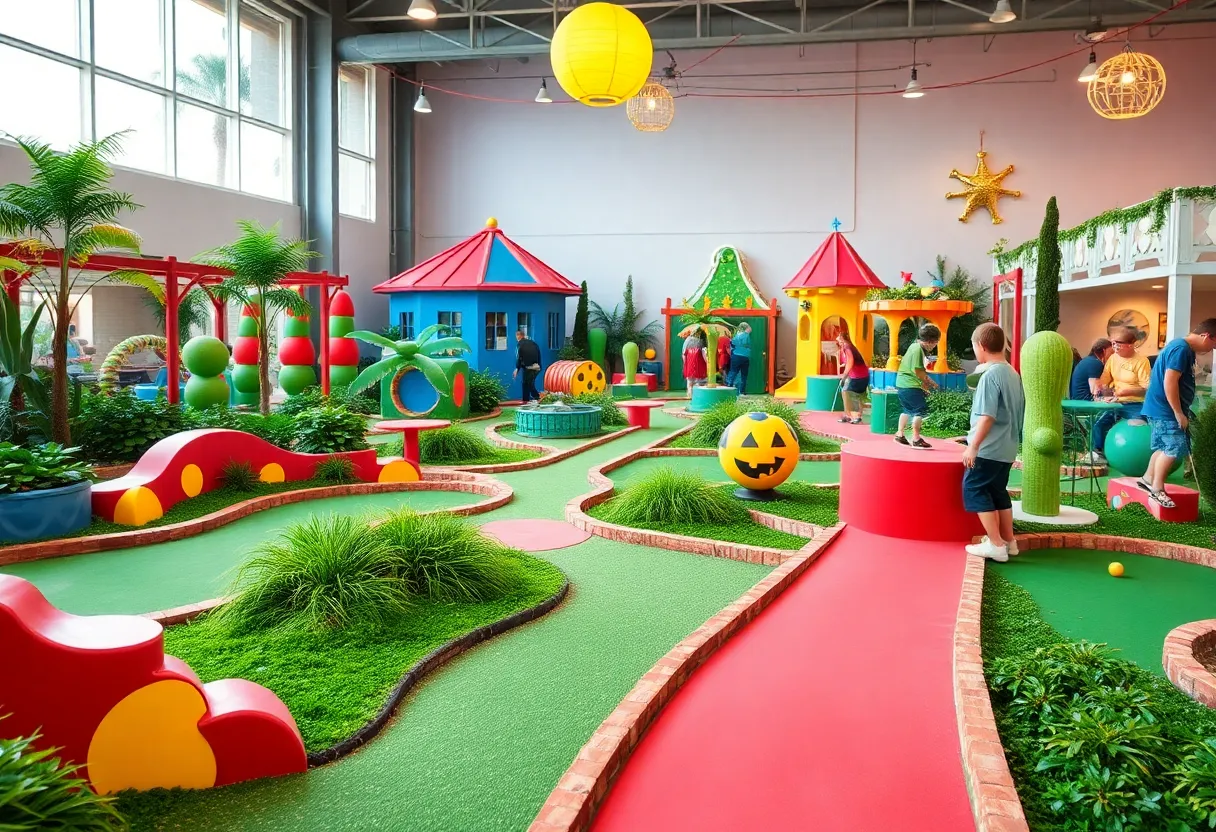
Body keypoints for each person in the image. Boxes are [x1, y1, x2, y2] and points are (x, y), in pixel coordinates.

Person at [962, 323, 1026, 563]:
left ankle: (996, 544)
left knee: (975, 488)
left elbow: (987, 416)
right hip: (1007, 447)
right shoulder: (1012, 372)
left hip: (988, 448)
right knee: (998, 492)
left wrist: (973, 446)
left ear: (981, 346)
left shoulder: (990, 376)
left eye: (973, 347)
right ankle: (1009, 542)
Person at [1137, 318, 1216, 508]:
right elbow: (1170, 382)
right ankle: (1157, 489)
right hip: (1165, 409)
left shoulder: (1182, 348)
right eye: (1214, 343)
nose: (1213, 348)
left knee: (1163, 447)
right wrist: (1178, 413)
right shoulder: (1181, 349)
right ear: (1206, 336)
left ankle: (1148, 479)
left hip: (1159, 408)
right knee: (1174, 448)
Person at [1091, 327, 1151, 463]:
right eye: (1112, 343)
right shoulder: (1113, 358)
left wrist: (1125, 392)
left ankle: (1136, 459)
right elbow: (1105, 378)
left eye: (1118, 344)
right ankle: (1098, 453)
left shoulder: (1142, 361)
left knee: (1137, 429)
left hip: (1135, 403)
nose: (1114, 347)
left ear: (1130, 345)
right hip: (1116, 402)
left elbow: (1146, 387)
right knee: (1098, 424)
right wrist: (1099, 386)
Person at [894, 323, 940, 449]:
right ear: (931, 341)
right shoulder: (918, 350)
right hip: (910, 385)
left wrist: (923, 387)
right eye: (935, 343)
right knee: (920, 410)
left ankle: (900, 434)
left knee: (907, 409)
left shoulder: (914, 346)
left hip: (902, 384)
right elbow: (919, 372)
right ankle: (916, 438)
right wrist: (932, 384)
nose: (935, 346)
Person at [836, 331, 869, 425]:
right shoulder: (846, 347)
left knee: (851, 394)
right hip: (858, 375)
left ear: (842, 338)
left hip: (858, 376)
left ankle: (856, 416)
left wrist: (844, 376)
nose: (836, 338)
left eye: (838, 336)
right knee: (847, 392)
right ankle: (848, 415)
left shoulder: (847, 347)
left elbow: (850, 362)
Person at [512, 329, 541, 403]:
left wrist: (517, 368)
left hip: (528, 367)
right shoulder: (533, 343)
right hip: (537, 366)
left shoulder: (519, 344)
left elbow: (519, 357)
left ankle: (534, 398)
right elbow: (538, 354)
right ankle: (530, 399)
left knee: (527, 384)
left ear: (518, 336)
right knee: (528, 383)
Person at [728, 322, 751, 394]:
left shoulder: (737, 335)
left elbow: (732, 344)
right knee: (744, 374)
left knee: (733, 371)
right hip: (745, 357)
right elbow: (747, 344)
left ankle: (729, 386)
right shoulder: (746, 335)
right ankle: (742, 391)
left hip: (736, 356)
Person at [682, 331, 707, 396]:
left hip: (689, 364)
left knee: (690, 382)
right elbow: (704, 354)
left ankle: (690, 395)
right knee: (699, 382)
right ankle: (697, 396)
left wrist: (685, 365)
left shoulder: (687, 341)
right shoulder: (701, 341)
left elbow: (684, 355)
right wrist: (707, 363)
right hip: (699, 364)